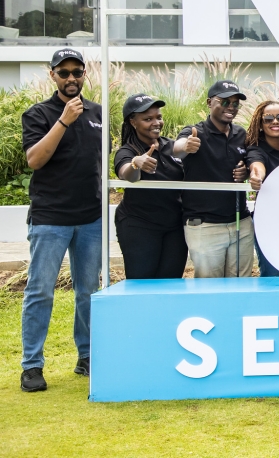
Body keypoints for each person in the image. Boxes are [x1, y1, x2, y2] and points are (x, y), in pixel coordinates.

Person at [19, 48, 102, 392]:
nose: (71, 78)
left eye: (77, 72)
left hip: (90, 219)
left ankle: (87, 356)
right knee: (40, 291)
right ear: (52, 74)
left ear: (85, 74)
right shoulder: (38, 113)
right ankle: (32, 365)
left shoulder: (98, 113)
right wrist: (64, 120)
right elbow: (35, 160)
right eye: (64, 72)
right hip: (50, 218)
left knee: (88, 292)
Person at [172, 80, 252, 278]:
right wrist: (186, 146)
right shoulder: (195, 132)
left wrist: (246, 172)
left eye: (235, 103)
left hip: (240, 223)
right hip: (206, 226)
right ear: (209, 102)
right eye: (224, 102)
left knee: (241, 288)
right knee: (209, 290)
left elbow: (250, 163)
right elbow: (177, 148)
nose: (231, 107)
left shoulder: (241, 133)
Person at [114, 94, 187, 280]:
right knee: (142, 282)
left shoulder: (170, 146)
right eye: (148, 119)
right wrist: (135, 164)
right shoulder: (127, 151)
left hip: (174, 226)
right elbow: (126, 173)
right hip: (139, 225)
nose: (156, 122)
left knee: (171, 282)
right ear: (133, 122)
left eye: (158, 117)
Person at [246, 100, 279, 277]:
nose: (275, 122)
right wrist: (256, 177)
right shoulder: (256, 149)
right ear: (260, 124)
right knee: (273, 276)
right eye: (268, 119)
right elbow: (257, 166)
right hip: (269, 224)